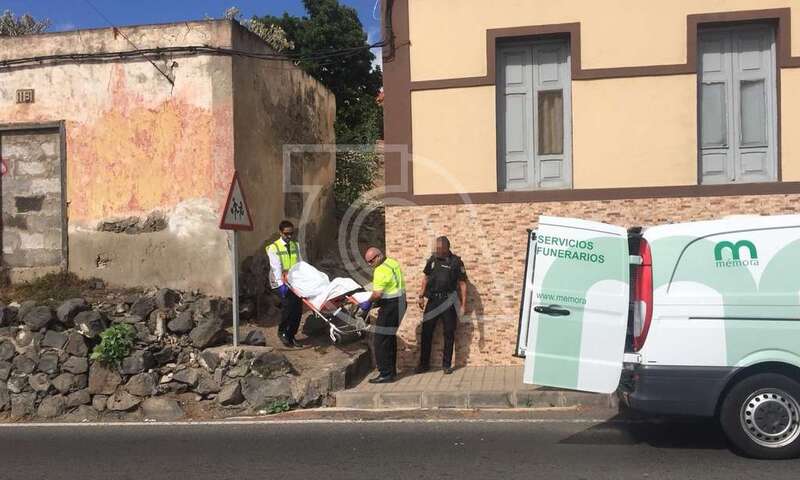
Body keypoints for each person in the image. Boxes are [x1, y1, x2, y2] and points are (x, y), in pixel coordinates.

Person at [416, 236, 467, 374]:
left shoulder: (456, 262)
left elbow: (462, 284)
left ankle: (446, 365)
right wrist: (421, 296)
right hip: (432, 301)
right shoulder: (432, 260)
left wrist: (463, 305)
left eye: (439, 248)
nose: (436, 250)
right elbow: (425, 277)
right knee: (426, 332)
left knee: (449, 333)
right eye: (436, 248)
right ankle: (423, 364)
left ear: (446, 248)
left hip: (448, 301)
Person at [359, 247, 406, 384]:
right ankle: (391, 372)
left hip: (391, 306)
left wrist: (367, 303)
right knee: (389, 338)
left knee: (379, 340)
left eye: (371, 261)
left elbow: (377, 294)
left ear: (378, 256)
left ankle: (385, 374)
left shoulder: (380, 270)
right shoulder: (392, 262)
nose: (369, 264)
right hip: (401, 302)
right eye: (367, 262)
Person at [266, 220, 302, 347]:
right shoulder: (273, 248)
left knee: (298, 308)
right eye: (286, 234)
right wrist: (281, 285)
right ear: (280, 232)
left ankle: (292, 334)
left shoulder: (295, 246)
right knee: (289, 305)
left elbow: (300, 264)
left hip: (293, 280)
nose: (289, 236)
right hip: (279, 281)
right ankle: (282, 331)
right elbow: (276, 268)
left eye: (291, 233)